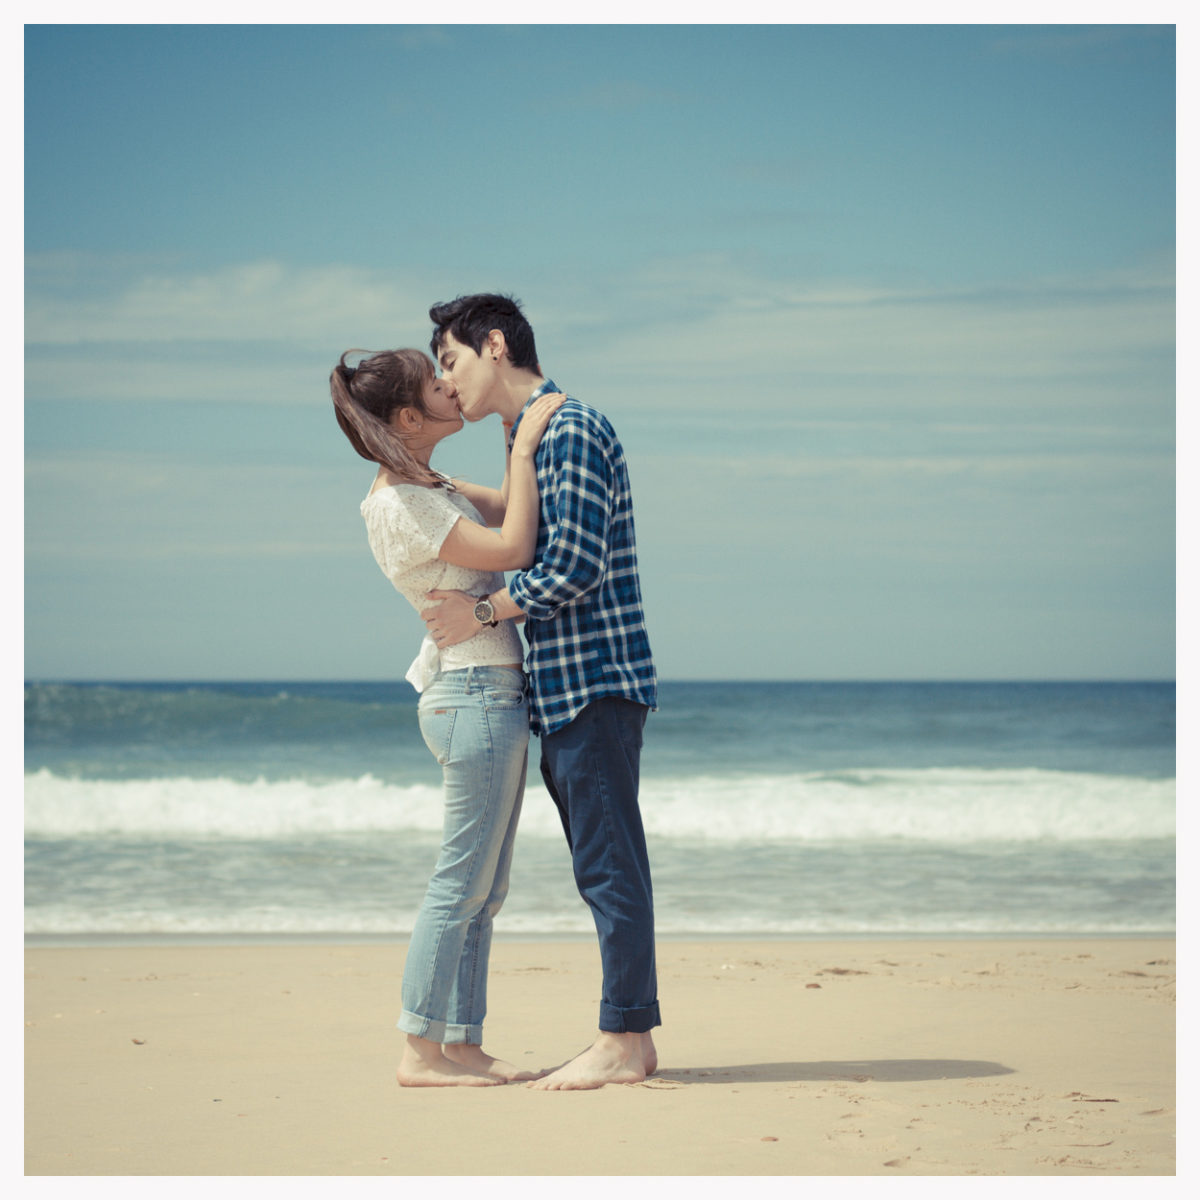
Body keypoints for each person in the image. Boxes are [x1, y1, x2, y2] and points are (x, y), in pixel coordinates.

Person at [418, 293, 661, 1090]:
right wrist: (451, 489)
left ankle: (625, 1040)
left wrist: (480, 610)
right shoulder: (532, 436)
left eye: (450, 360)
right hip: (566, 688)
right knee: (602, 863)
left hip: (593, 680)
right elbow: (534, 528)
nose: (446, 383)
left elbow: (571, 566)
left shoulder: (570, 429)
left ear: (495, 347)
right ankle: (628, 1036)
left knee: (609, 866)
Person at [330, 347, 564, 1087]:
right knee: (459, 883)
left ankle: (460, 1042)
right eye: (437, 385)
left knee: (484, 890)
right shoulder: (402, 504)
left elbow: (506, 506)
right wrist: (524, 443)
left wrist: (514, 439)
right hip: (471, 695)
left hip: (485, 691)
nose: (450, 387)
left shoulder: (427, 484)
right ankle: (418, 1051)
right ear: (408, 416)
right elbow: (515, 545)